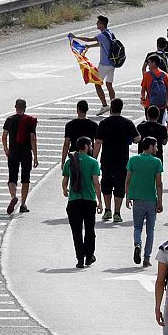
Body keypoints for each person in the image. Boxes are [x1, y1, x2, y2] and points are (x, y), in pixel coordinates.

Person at [94, 98, 141, 222]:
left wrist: (93, 157)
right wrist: (128, 139)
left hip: (107, 158)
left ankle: (107, 210)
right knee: (120, 184)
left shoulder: (104, 123)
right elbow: (138, 138)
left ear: (111, 108)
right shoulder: (127, 123)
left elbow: (98, 141)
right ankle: (117, 213)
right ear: (121, 108)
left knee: (106, 182)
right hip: (122, 158)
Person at [62, 137, 103, 268]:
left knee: (76, 231)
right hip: (89, 201)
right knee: (90, 230)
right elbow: (96, 183)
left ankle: (80, 258)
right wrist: (100, 201)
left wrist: (65, 190)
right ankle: (89, 256)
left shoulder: (70, 161)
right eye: (90, 145)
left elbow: (65, 181)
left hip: (74, 201)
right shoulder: (93, 162)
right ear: (86, 146)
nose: (91, 148)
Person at [126, 137, 164, 267]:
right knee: (150, 230)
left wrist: (127, 196)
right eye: (156, 146)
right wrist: (160, 201)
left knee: (137, 227)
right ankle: (146, 258)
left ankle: (137, 243)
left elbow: (128, 180)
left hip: (137, 199)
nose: (157, 148)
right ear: (151, 146)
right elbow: (158, 184)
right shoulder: (157, 162)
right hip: (151, 199)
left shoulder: (133, 160)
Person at [69, 15, 117, 115]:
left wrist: (75, 37)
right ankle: (114, 108)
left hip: (104, 64)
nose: (96, 24)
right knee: (109, 85)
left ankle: (105, 106)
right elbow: (101, 44)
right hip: (112, 63)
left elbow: (90, 39)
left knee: (97, 84)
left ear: (101, 24)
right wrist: (90, 47)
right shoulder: (110, 34)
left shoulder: (101, 35)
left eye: (98, 23)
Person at [2, 99, 38, 214]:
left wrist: (6, 149)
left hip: (13, 152)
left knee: (12, 177)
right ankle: (23, 205)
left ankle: (13, 197)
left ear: (15, 107)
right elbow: (33, 138)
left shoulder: (9, 120)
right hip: (26, 153)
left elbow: (4, 136)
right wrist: (35, 156)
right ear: (25, 107)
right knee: (25, 179)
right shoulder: (29, 121)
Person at [141, 55, 168, 122]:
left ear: (154, 63)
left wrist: (143, 100)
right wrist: (167, 100)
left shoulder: (147, 75)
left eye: (149, 62)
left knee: (149, 123)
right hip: (161, 104)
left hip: (149, 104)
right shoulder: (164, 74)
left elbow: (143, 89)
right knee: (160, 122)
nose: (148, 65)